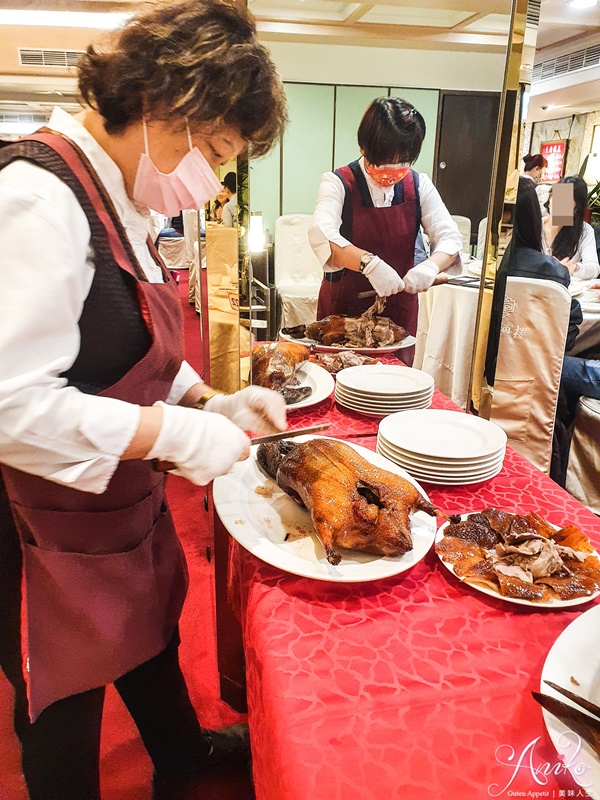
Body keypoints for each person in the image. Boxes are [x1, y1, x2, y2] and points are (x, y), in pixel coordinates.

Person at [0, 1, 287, 799]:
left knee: (151, 629)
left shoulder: (119, 192)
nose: (216, 178)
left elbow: (127, 340)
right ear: (171, 107)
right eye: (219, 150)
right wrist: (174, 433)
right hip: (43, 526)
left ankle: (182, 757)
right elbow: (11, 407)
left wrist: (210, 400)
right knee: (63, 712)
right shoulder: (36, 197)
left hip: (118, 509)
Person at [308, 97, 462, 358]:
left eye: (403, 162)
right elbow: (322, 235)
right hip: (342, 311)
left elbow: (449, 237)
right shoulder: (338, 183)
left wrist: (430, 266)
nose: (393, 171)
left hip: (399, 314)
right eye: (384, 162)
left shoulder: (419, 185)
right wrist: (369, 264)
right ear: (363, 147)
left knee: (396, 390)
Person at [543, 174, 600, 281]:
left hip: (563, 291)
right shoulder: (536, 226)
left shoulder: (584, 231)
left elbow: (594, 268)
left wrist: (575, 268)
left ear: (576, 209)